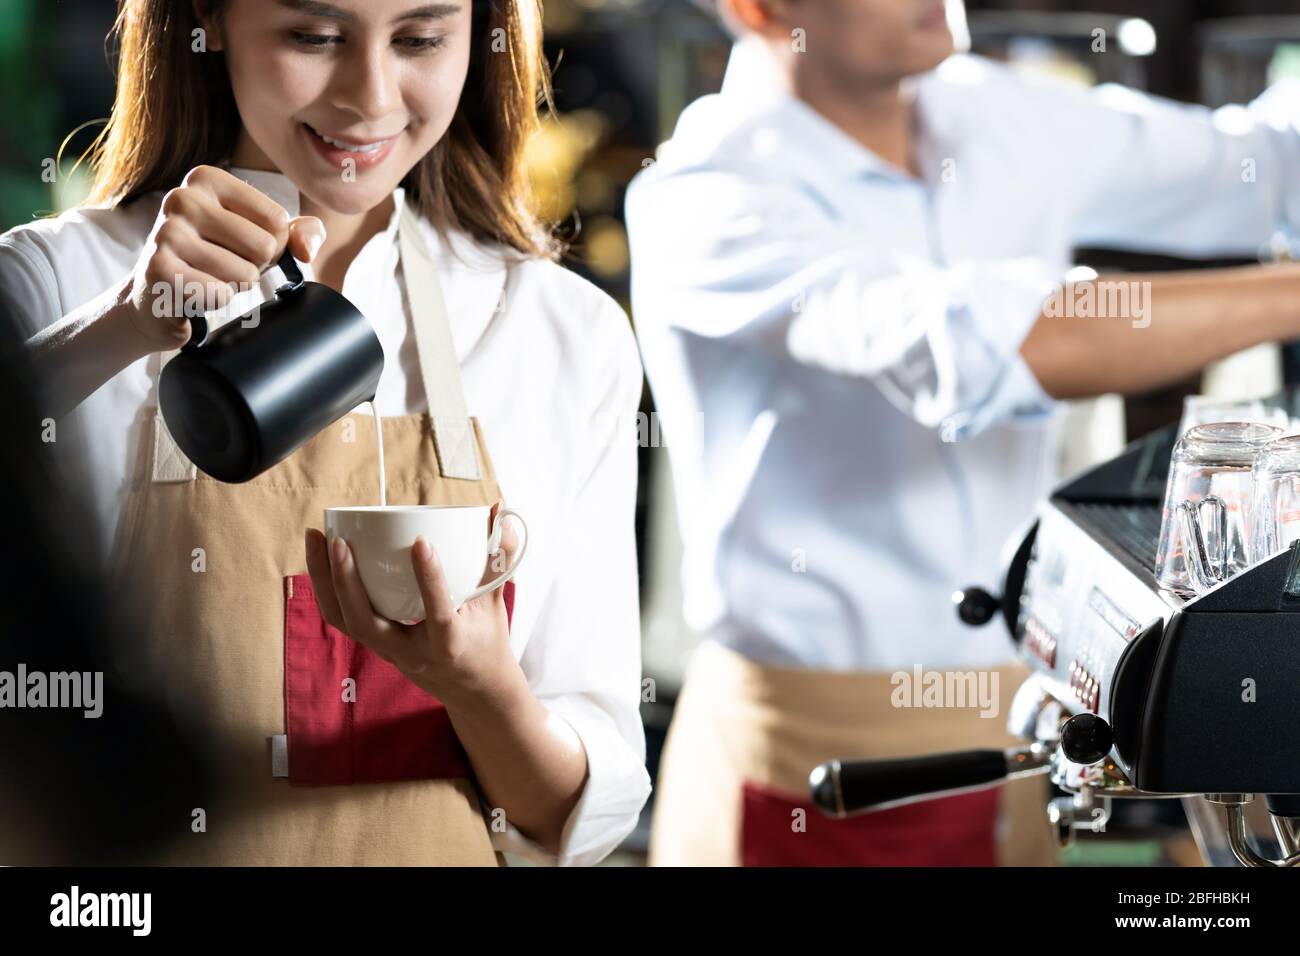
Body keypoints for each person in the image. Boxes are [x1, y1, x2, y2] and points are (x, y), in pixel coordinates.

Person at [626, 0, 1300, 866]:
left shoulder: (994, 111)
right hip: (808, 765)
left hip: (1021, 736)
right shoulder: (707, 194)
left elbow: (1266, 167)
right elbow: (979, 350)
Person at [1, 0, 650, 866]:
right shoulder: (54, 281)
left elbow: (575, 812)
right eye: (314, 37)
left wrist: (481, 687)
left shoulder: (565, 334)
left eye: (420, 40)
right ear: (211, 18)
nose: (370, 99)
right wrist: (123, 325)